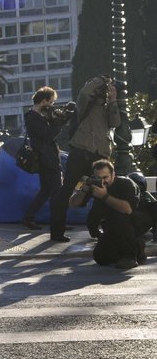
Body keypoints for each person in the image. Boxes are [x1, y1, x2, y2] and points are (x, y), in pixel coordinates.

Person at [49, 75, 120, 243]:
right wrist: (101, 80)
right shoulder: (84, 104)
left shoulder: (107, 106)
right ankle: (57, 231)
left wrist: (113, 100)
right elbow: (84, 92)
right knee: (65, 191)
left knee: (102, 194)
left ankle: (96, 229)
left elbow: (116, 123)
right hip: (80, 152)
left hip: (100, 156)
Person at [75, 160, 142, 269]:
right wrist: (84, 189)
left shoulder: (126, 184)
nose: (102, 181)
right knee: (101, 257)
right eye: (98, 177)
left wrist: (104, 196)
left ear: (113, 175)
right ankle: (134, 249)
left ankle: (130, 256)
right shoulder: (94, 184)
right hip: (112, 226)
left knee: (118, 217)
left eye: (105, 177)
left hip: (135, 221)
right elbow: (73, 203)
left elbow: (127, 209)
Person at [21, 87, 65, 230]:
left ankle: (29, 217)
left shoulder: (38, 116)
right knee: (56, 192)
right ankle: (57, 224)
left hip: (46, 158)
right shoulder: (33, 118)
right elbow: (48, 135)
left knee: (46, 191)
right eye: (51, 102)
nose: (52, 105)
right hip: (47, 159)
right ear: (44, 101)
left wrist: (59, 119)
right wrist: (57, 122)